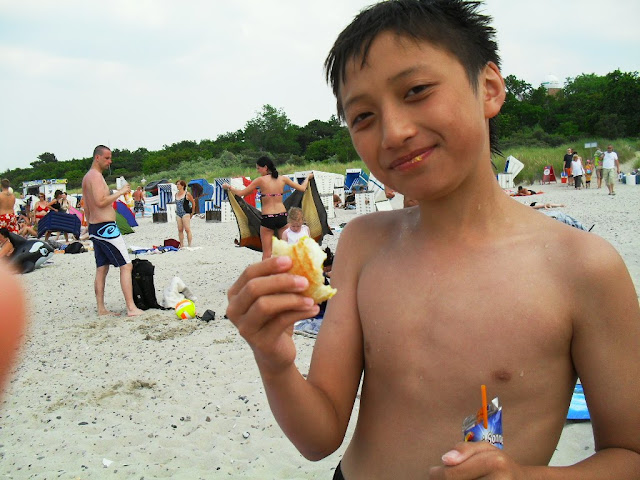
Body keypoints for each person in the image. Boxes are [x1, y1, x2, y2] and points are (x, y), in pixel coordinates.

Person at [224, 2, 640, 479]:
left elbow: (629, 453)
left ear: (488, 89)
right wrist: (274, 360)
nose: (394, 132)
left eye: (417, 91)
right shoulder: (363, 243)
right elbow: (319, 439)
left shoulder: (581, 268)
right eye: (363, 116)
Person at [82, 145, 143, 317]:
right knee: (126, 265)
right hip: (106, 228)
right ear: (97, 157)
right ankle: (131, 308)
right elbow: (100, 201)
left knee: (102, 268)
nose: (110, 161)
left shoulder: (87, 178)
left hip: (95, 227)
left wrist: (89, 226)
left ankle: (101, 308)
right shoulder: (95, 176)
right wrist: (120, 192)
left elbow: (87, 205)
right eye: (107, 158)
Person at [222, 156, 313, 260]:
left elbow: (241, 193)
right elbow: (302, 188)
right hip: (282, 216)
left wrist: (229, 187)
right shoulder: (283, 178)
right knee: (285, 250)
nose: (257, 171)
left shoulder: (260, 180)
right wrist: (308, 178)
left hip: (268, 218)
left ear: (265, 167)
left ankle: (267, 270)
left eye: (258, 168)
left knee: (267, 253)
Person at [174, 180, 195, 248]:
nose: (177, 186)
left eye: (178, 184)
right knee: (180, 229)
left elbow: (193, 202)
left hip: (185, 212)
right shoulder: (176, 194)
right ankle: (182, 244)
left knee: (187, 229)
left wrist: (192, 212)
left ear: (182, 186)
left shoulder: (187, 194)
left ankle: (189, 244)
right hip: (178, 213)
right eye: (177, 184)